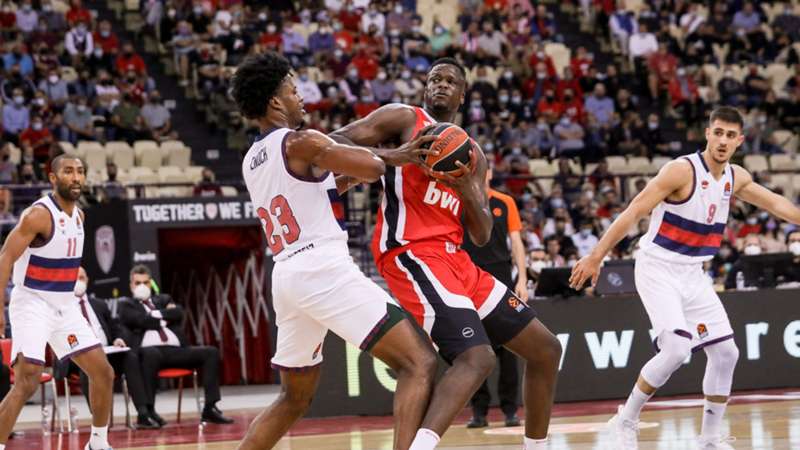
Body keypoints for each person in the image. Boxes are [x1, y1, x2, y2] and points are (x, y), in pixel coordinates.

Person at [330, 57, 562, 450]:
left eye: (449, 80)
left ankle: (535, 447)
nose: (440, 84)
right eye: (434, 78)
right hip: (411, 253)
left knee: (546, 349)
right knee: (477, 358)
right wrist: (395, 156)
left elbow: (484, 232)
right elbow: (332, 141)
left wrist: (467, 186)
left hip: (456, 259)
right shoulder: (403, 118)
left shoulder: (472, 154)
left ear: (462, 94)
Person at [229, 52, 438, 450]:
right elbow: (372, 169)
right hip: (321, 270)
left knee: (294, 398)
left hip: (287, 276)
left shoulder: (252, 160)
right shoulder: (303, 140)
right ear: (275, 102)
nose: (301, 97)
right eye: (293, 90)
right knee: (419, 362)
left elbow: (319, 188)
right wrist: (398, 156)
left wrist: (370, 166)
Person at [570, 106, 800, 450]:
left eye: (730, 135)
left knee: (726, 354)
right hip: (657, 266)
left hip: (693, 273)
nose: (722, 140)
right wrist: (596, 255)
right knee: (677, 348)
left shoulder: (735, 177)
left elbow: (777, 205)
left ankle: (709, 439)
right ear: (707, 133)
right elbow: (633, 211)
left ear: (740, 141)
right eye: (717, 132)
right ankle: (626, 418)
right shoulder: (680, 171)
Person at [0, 155, 115, 450]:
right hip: (32, 303)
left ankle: (98, 444)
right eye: (68, 172)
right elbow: (6, 257)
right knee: (27, 380)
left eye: (80, 171)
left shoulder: (80, 216)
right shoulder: (37, 215)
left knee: (103, 372)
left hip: (65, 307)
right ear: (53, 178)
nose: (76, 177)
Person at [117, 265, 233, 425]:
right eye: (137, 283)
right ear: (131, 285)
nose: (142, 286)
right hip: (149, 352)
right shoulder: (126, 304)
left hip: (177, 350)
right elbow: (138, 320)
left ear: (151, 283)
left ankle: (210, 408)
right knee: (150, 355)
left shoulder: (162, 299)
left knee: (211, 352)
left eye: (145, 282)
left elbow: (178, 312)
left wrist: (153, 315)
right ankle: (149, 412)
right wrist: (164, 316)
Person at [462, 167, 527, 429]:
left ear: (488, 174)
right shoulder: (459, 201)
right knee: (473, 348)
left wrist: (522, 279)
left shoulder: (504, 201)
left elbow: (517, 242)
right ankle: (479, 412)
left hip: (501, 278)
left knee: (510, 348)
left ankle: (510, 410)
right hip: (467, 280)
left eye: (483, 170)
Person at [72, 267, 158, 429]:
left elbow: (115, 327)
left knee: (130, 357)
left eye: (82, 278)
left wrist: (118, 339)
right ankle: (99, 421)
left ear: (87, 280)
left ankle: (143, 413)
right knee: (88, 365)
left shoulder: (99, 304)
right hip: (78, 355)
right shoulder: (62, 307)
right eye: (75, 278)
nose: (79, 282)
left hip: (106, 352)